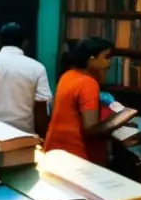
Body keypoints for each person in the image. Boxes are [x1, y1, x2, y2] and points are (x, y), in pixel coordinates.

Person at [44, 37, 121, 165]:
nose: (108, 64)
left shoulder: (68, 76)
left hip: (55, 151)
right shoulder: (88, 83)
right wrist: (121, 118)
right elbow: (90, 129)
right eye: (106, 57)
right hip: (76, 157)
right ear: (92, 60)